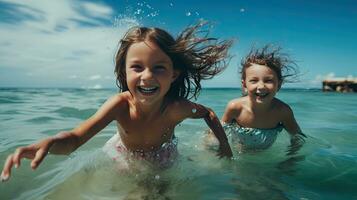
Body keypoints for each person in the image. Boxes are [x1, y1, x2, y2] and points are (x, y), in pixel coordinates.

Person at [1, 22, 233, 182]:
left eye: (159, 68)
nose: (147, 76)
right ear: (124, 72)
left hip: (163, 155)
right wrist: (51, 143)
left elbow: (209, 114)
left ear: (173, 74)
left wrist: (225, 147)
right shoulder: (120, 106)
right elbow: (75, 139)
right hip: (123, 153)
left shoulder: (176, 108)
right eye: (137, 67)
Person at [210, 45, 306, 154]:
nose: (261, 86)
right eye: (254, 80)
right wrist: (213, 149)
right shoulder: (235, 108)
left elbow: (297, 138)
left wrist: (291, 159)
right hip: (238, 151)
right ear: (244, 85)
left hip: (264, 155)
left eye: (268, 80)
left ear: (278, 85)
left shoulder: (282, 112)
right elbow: (217, 132)